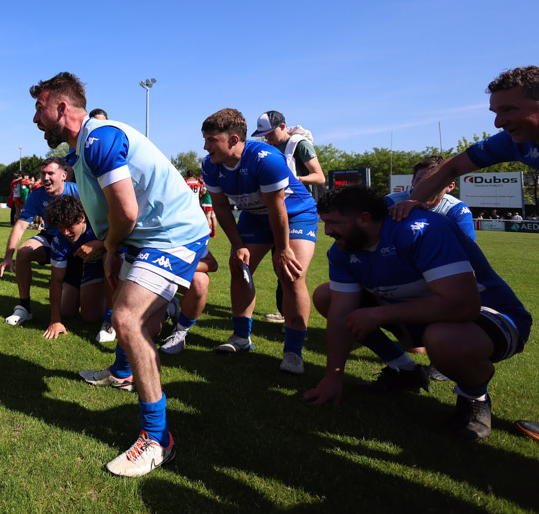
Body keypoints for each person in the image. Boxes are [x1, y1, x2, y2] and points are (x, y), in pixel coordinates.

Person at [30, 72, 211, 477]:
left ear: (61, 106)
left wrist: (109, 247)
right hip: (146, 236)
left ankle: (157, 439)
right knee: (120, 305)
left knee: (128, 319)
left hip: (171, 235)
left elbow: (126, 212)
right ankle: (123, 371)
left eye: (40, 108)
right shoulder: (82, 151)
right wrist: (114, 247)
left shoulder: (98, 140)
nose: (36, 119)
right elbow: (113, 212)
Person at [304, 185, 532, 440]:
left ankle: (475, 397)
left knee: (444, 338)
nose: (328, 232)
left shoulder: (420, 230)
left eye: (334, 223)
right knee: (327, 296)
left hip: (492, 314)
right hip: (426, 312)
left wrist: (380, 315)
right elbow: (339, 314)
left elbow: (463, 305)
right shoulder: (342, 251)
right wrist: (333, 377)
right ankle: (405, 371)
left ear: (365, 219)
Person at [388, 65, 539, 442]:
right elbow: (454, 165)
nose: (498, 122)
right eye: (494, 112)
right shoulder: (518, 143)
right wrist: (413, 202)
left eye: (507, 110)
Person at [201, 108, 318, 375]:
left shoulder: (265, 159)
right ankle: (241, 337)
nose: (205, 146)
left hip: (294, 214)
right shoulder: (210, 164)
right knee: (238, 267)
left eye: (211, 140)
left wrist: (284, 249)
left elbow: (278, 208)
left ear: (233, 139)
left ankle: (293, 352)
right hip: (255, 216)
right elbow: (220, 208)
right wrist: (238, 244)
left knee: (290, 275)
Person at [0, 158, 90, 329]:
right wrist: (8, 256)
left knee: (78, 312)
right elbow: (21, 225)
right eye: (43, 173)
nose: (45, 177)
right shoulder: (36, 195)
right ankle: (24, 307)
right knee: (23, 252)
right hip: (53, 238)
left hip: (79, 242)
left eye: (50, 173)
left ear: (64, 175)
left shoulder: (78, 192)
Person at [251, 110, 326, 325]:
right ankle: (284, 312)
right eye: (263, 134)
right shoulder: (269, 147)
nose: (267, 138)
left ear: (283, 126)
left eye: (270, 133)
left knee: (290, 268)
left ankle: (291, 318)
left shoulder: (299, 144)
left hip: (296, 210)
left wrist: (291, 179)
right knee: (279, 264)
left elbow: (319, 176)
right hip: (274, 208)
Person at [40, 195, 111, 340]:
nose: (65, 232)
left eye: (69, 226)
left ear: (82, 218)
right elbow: (56, 280)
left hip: (97, 265)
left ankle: (111, 303)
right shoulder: (59, 240)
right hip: (74, 265)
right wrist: (55, 320)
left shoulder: (99, 223)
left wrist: (100, 244)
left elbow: (122, 241)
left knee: (90, 317)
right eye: (61, 227)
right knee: (66, 312)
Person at [385, 155, 475, 241]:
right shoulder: (390, 202)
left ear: (450, 186)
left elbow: (467, 249)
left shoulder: (457, 209)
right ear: (412, 181)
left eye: (434, 181)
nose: (425, 185)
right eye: (420, 180)